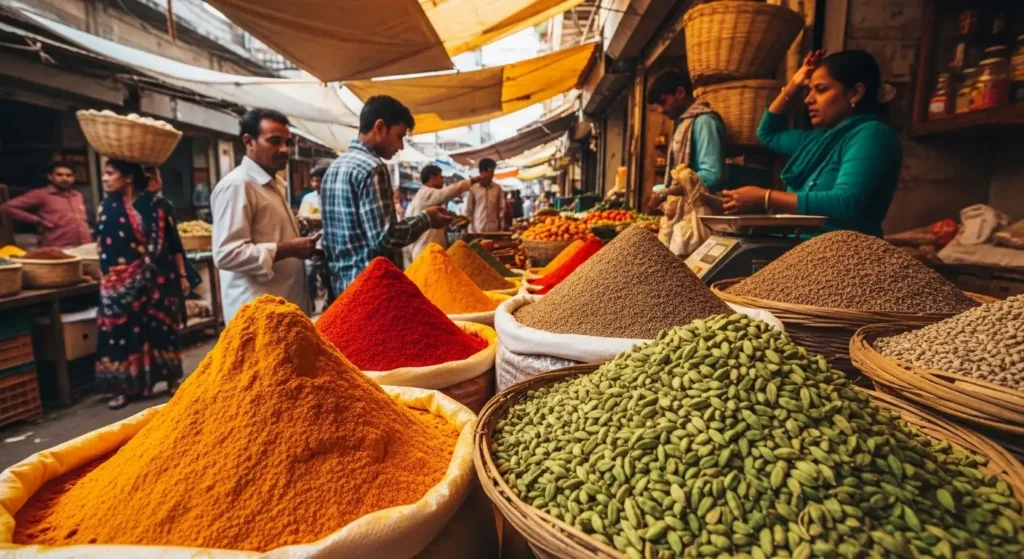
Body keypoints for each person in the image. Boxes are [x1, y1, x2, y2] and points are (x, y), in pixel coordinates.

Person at [721, 50, 902, 237]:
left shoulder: (872, 135)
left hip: (843, 254)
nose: (808, 99)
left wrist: (766, 198)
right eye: (808, 91)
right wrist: (794, 84)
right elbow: (768, 133)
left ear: (855, 93)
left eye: (821, 90)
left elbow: (846, 201)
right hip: (802, 251)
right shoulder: (818, 142)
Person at [321, 95, 451, 293]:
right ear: (380, 127)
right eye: (399, 136)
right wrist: (427, 219)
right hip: (371, 290)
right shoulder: (372, 168)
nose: (400, 146)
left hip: (343, 289)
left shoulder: (334, 167)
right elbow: (385, 238)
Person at [211, 108, 317, 323]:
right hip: (258, 316)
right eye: (275, 141)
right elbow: (226, 254)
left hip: (284, 308)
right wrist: (288, 249)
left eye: (288, 143)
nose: (284, 149)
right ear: (249, 141)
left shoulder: (273, 184)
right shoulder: (237, 185)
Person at [96, 160, 183, 410]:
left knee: (161, 328)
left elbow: (172, 243)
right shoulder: (108, 207)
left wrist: (182, 276)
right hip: (117, 284)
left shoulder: (156, 206)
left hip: (155, 279)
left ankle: (171, 379)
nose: (105, 179)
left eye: (110, 174)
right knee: (122, 335)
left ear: (128, 178)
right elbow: (103, 245)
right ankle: (125, 387)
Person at [645, 68, 727, 212]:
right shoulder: (683, 124)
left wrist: (671, 190)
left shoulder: (704, 122)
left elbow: (712, 174)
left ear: (680, 93)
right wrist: (664, 192)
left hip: (702, 213)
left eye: (663, 102)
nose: (661, 110)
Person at [1, 161, 91, 248]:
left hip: (83, 245)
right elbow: (8, 207)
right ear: (50, 177)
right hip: (57, 246)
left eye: (69, 175)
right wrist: (37, 220)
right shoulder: (42, 195)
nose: (64, 178)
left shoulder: (77, 196)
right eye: (59, 175)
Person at [404, 164, 475, 264]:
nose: (443, 181)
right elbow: (447, 193)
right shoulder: (426, 193)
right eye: (441, 177)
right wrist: (471, 182)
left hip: (426, 251)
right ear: (432, 178)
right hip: (426, 252)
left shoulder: (422, 196)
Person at [464, 158, 503, 233]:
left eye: (492, 172)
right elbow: (469, 210)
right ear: (481, 172)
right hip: (477, 230)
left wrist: (501, 226)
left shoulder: (497, 189)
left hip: (493, 230)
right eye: (488, 173)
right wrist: (469, 229)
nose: (490, 175)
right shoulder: (473, 189)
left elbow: (501, 209)